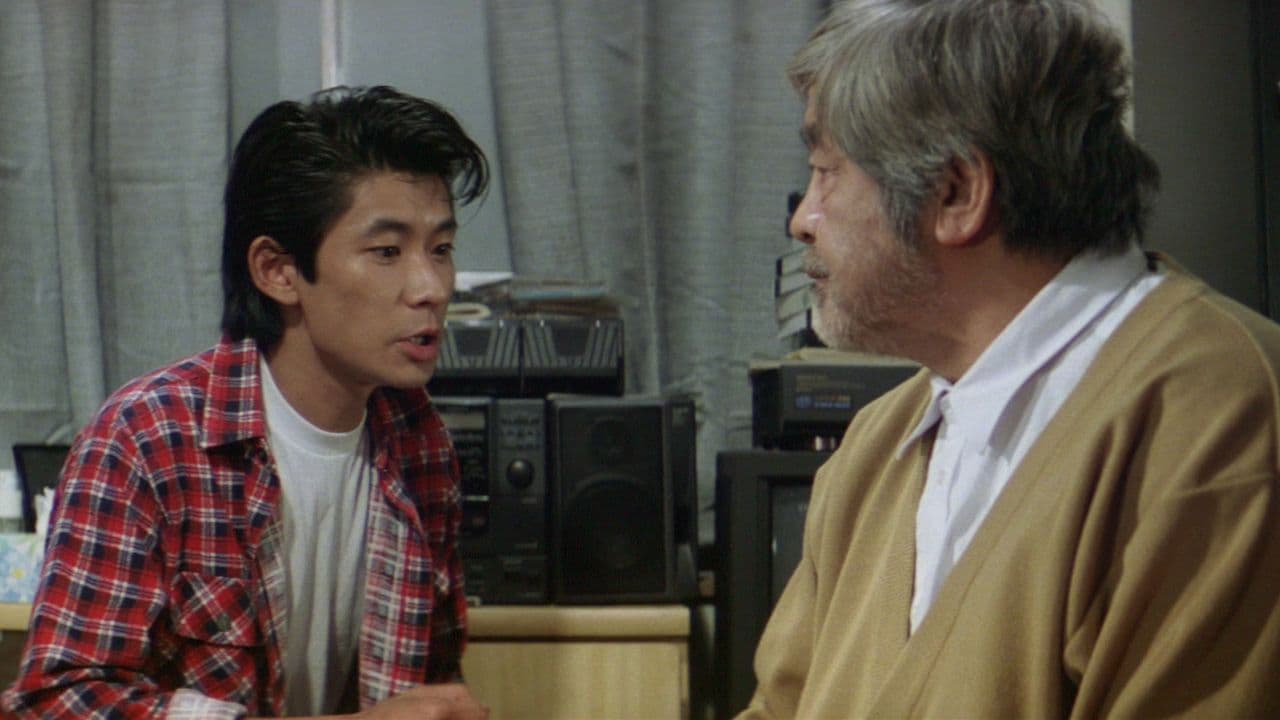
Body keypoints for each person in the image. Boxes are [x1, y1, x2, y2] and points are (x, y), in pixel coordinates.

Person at [742, 1, 1280, 717]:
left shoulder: (1220, 419)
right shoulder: (874, 447)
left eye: (825, 171)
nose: (802, 219)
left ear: (958, 194)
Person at [2, 85, 491, 719]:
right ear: (277, 271)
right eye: (387, 253)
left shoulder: (420, 442)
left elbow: (426, 689)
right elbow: (58, 701)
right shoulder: (147, 439)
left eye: (441, 250)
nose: (431, 288)